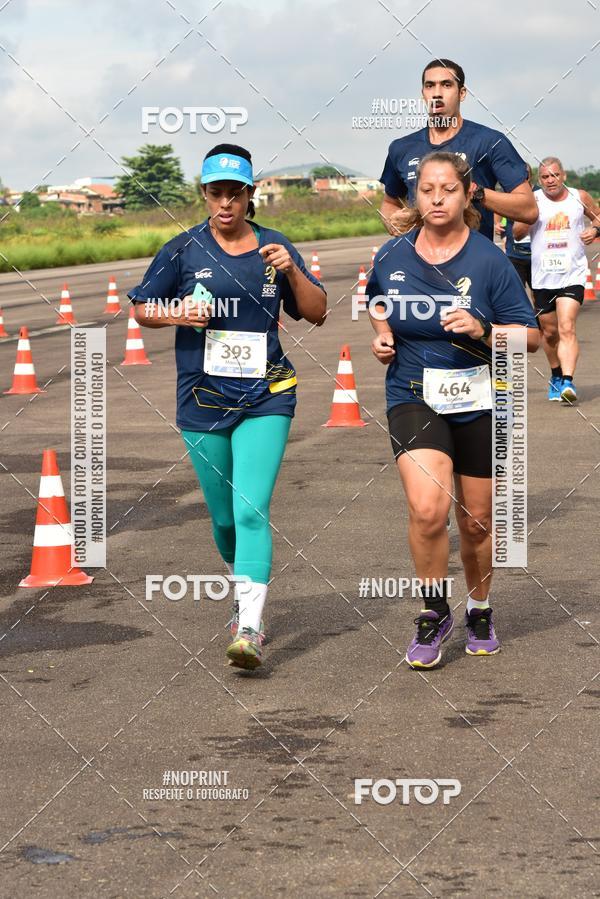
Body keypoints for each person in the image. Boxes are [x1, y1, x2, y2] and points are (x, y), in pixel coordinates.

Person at [128, 143, 327, 670]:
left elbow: (317, 312)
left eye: (234, 194)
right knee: (222, 520)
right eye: (215, 193)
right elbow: (143, 308)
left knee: (250, 509)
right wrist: (177, 312)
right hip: (201, 399)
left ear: (249, 195)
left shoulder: (275, 247)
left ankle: (250, 626)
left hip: (268, 395)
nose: (224, 203)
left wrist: (293, 273)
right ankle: (243, 589)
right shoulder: (183, 248)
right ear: (204, 194)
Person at [367, 150, 539, 669]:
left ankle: (480, 608)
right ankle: (434, 609)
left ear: (468, 196)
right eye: (426, 189)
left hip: (480, 400)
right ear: (415, 198)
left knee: (479, 522)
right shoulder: (392, 255)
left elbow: (530, 337)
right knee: (427, 510)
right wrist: (381, 335)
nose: (436, 197)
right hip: (413, 394)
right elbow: (377, 303)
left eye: (447, 189)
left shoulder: (490, 261)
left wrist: (484, 330)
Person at [379, 59, 538, 241]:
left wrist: (476, 192)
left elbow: (529, 209)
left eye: (446, 85)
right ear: (423, 94)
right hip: (420, 263)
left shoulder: (490, 141)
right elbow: (389, 203)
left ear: (462, 93)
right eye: (430, 86)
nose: (437, 93)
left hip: (472, 263)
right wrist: (393, 221)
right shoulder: (401, 148)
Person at [513, 157, 600, 403]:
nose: (550, 180)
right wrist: (528, 218)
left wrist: (594, 230)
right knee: (549, 333)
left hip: (572, 274)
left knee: (567, 326)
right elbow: (517, 233)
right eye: (545, 177)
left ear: (563, 176)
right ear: (539, 180)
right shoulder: (533, 200)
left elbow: (598, 217)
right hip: (542, 277)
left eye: (555, 175)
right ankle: (556, 374)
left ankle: (568, 382)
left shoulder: (579, 197)